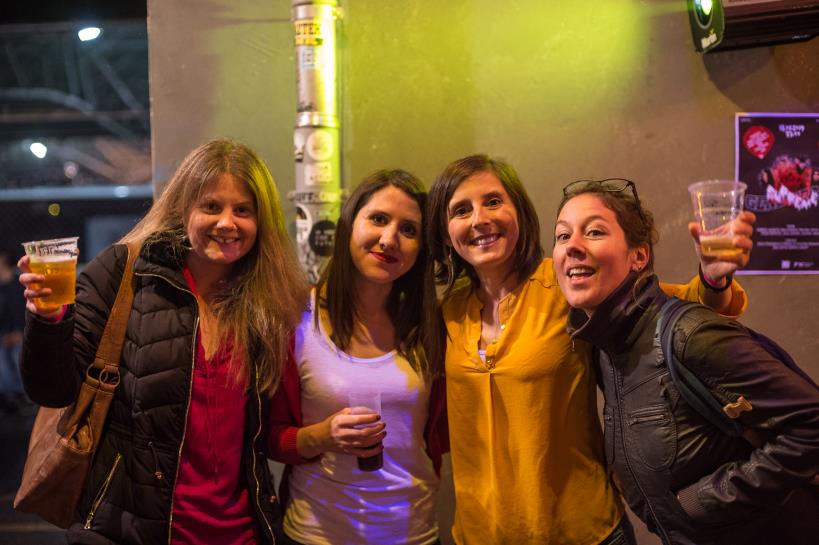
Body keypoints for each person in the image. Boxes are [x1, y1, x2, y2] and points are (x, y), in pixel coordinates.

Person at [425, 155, 754, 545]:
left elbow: (680, 304)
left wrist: (714, 280)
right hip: (477, 536)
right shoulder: (447, 309)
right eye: (461, 210)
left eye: (493, 202)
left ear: (519, 213)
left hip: (584, 532)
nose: (480, 219)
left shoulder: (565, 283)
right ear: (445, 233)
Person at [18, 139, 309, 545]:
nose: (227, 222)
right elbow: (52, 390)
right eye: (212, 206)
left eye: (243, 210)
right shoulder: (124, 272)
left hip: (241, 533)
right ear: (184, 208)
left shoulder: (267, 301)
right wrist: (49, 320)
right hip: (136, 532)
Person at [554, 179, 819, 545]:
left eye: (594, 231)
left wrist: (703, 501)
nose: (572, 246)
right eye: (562, 236)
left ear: (639, 256)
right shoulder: (606, 350)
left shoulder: (689, 334)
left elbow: (812, 423)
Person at [268, 170, 448, 545]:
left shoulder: (431, 326)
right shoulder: (297, 317)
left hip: (411, 533)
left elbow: (445, 434)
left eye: (409, 230)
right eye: (378, 219)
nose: (389, 239)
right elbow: (266, 436)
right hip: (315, 534)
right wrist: (321, 436)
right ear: (349, 225)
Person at [0, 251, 25, 414]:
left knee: (19, 355)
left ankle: (24, 396)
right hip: (4, 334)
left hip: (22, 332)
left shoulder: (20, 285)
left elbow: (25, 313)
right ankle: (9, 397)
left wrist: (20, 333)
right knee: (2, 358)